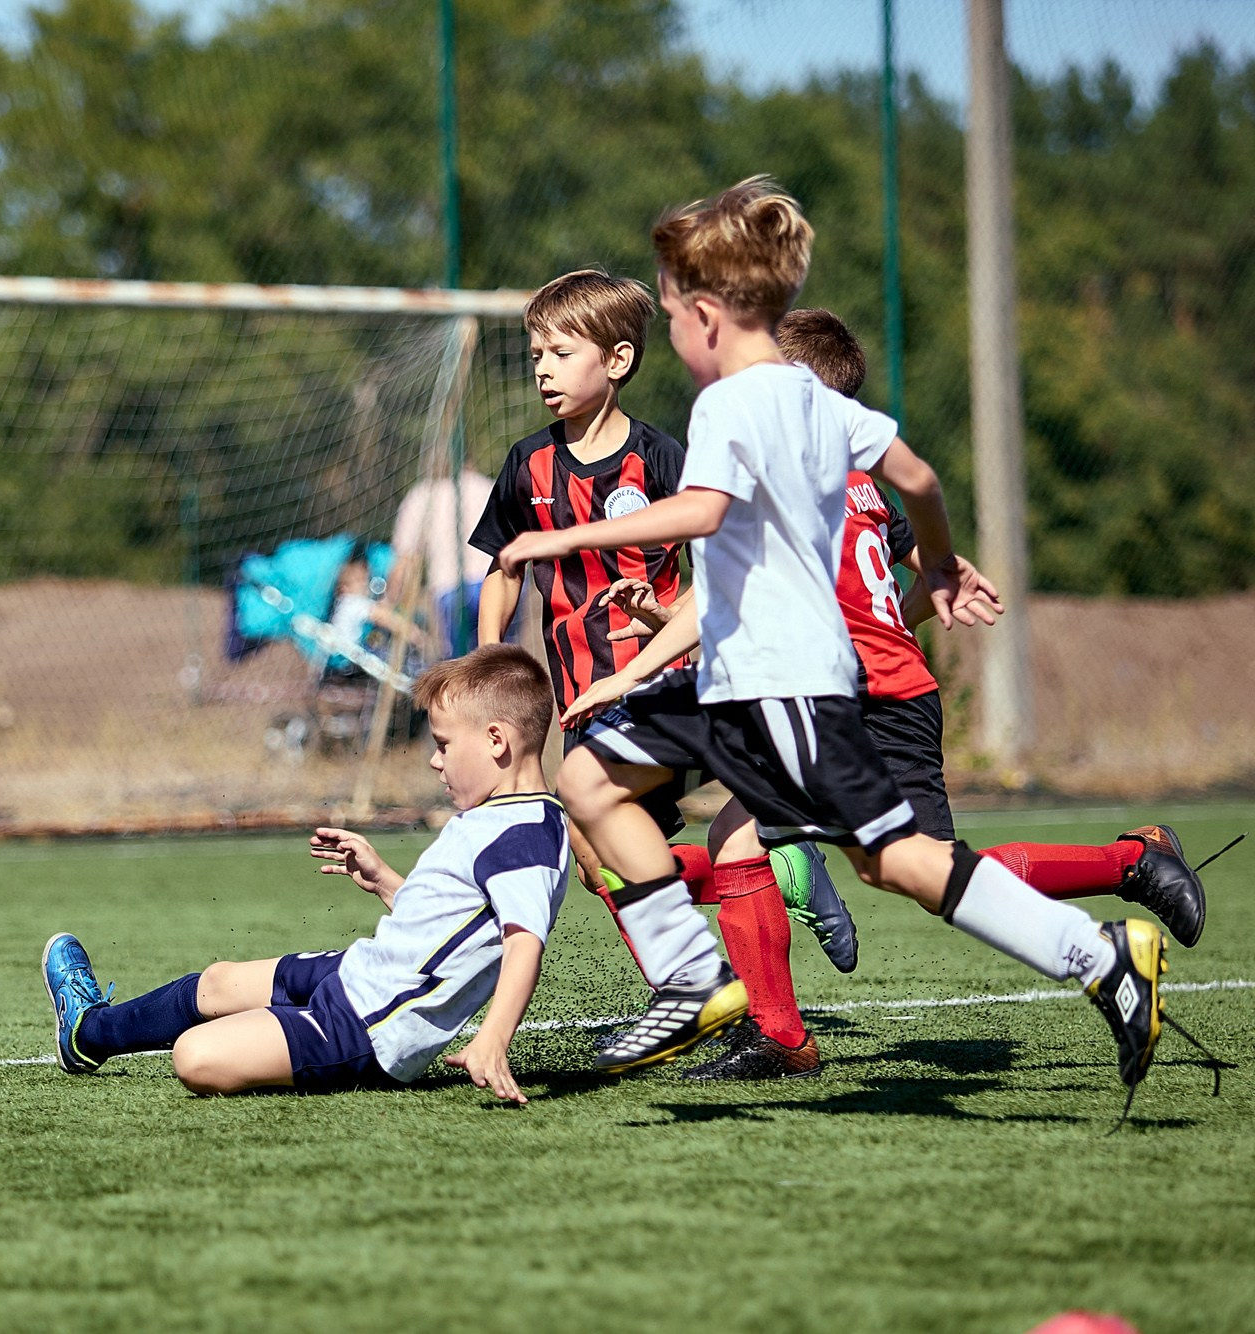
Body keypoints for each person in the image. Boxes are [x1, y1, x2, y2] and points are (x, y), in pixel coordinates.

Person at [499, 178, 1173, 1110]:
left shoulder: (730, 405)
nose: (673, 335)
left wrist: (563, 537)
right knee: (591, 782)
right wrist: (939, 564)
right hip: (751, 681)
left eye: (673, 314)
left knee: (899, 861)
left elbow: (702, 512)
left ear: (706, 317)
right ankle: (697, 980)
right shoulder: (822, 405)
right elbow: (919, 479)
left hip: (784, 687)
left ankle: (1098, 956)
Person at [468, 266, 852, 1067]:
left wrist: (670, 628)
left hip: (664, 681)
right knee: (601, 860)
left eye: (560, 352)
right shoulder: (526, 466)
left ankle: (702, 996)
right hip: (582, 692)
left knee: (599, 830)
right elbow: (503, 569)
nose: (542, 369)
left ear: (616, 361)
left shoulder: (662, 458)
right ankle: (770, 891)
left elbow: (719, 566)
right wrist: (487, 660)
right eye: (535, 354)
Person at [41, 644, 567, 1102]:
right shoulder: (501, 816)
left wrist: (493, 1037)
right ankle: (88, 1033)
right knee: (219, 981)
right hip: (359, 973)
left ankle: (270, 1037)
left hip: (366, 1029)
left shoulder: (525, 834)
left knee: (195, 1056)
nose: (435, 760)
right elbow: (453, 930)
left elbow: (523, 943)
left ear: (496, 740)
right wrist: (385, 881)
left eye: (443, 744)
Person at [389, 467, 494, 655]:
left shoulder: (422, 495)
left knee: (461, 662)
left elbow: (406, 559)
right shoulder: (488, 487)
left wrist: (390, 601)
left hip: (450, 587)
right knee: (501, 659)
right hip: (495, 581)